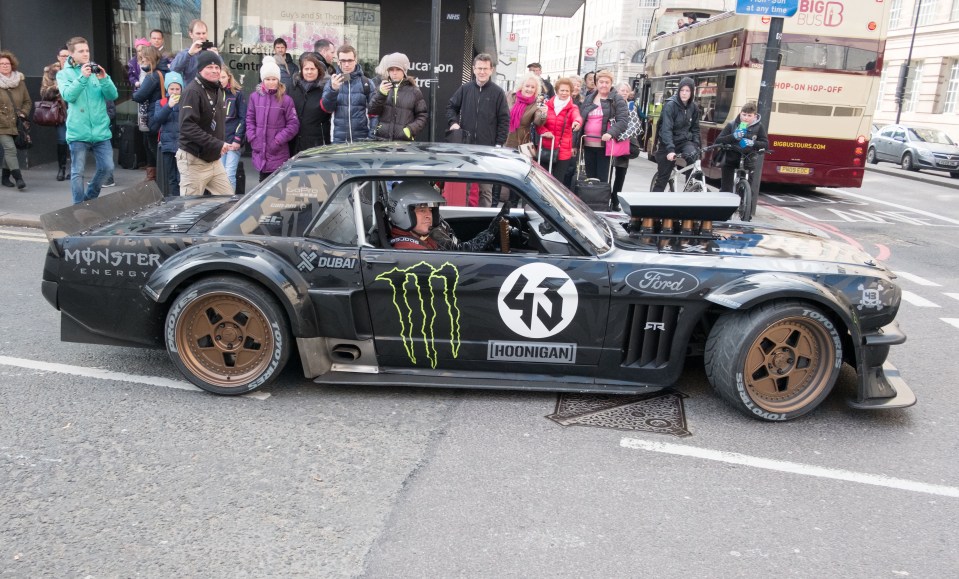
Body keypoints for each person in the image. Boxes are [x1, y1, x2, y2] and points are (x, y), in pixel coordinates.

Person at [57, 37, 118, 203]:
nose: (86, 54)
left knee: (107, 168)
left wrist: (104, 79)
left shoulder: (96, 70)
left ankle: (89, 198)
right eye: (81, 51)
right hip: (78, 131)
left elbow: (113, 95)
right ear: (71, 54)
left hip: (100, 130)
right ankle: (78, 206)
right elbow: (69, 95)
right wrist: (82, 78)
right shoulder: (63, 74)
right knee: (78, 172)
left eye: (87, 50)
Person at [446, 53, 509, 207]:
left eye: (485, 69)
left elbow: (504, 119)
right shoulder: (465, 89)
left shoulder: (498, 92)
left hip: (487, 149)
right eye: (479, 68)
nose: (482, 72)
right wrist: (453, 122)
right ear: (473, 69)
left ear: (491, 70)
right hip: (466, 146)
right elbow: (450, 107)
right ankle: (466, 219)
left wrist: (499, 144)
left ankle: (485, 221)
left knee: (485, 189)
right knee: (465, 188)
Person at [387, 181, 516, 251]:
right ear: (402, 212)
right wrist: (490, 233)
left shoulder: (421, 237)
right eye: (421, 210)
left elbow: (456, 250)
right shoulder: (411, 250)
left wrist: (490, 233)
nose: (429, 216)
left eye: (431, 210)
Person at [176, 50, 237, 196]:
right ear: (200, 69)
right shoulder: (192, 92)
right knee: (190, 210)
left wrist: (219, 144)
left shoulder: (216, 89)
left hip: (214, 161)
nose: (215, 70)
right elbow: (187, 127)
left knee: (229, 202)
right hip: (193, 161)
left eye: (217, 67)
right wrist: (217, 144)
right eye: (210, 67)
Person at [246, 56, 299, 182]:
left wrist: (277, 141)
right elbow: (249, 120)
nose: (271, 82)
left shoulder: (286, 100)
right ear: (262, 80)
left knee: (278, 189)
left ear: (278, 80)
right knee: (262, 187)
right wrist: (253, 138)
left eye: (274, 79)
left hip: (278, 152)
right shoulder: (254, 97)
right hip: (260, 151)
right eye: (268, 79)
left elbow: (293, 125)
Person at [578, 69, 628, 184]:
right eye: (601, 82)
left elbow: (623, 121)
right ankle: (590, 201)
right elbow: (581, 118)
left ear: (611, 84)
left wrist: (610, 133)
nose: (604, 85)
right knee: (589, 178)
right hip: (587, 144)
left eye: (607, 82)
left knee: (602, 179)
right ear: (597, 83)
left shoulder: (617, 99)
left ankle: (602, 201)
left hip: (605, 146)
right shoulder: (589, 98)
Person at [651, 76, 700, 192]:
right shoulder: (670, 105)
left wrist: (696, 145)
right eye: (682, 90)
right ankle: (653, 204)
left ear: (692, 92)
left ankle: (688, 188)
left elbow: (695, 129)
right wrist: (670, 149)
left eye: (687, 91)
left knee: (693, 156)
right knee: (663, 178)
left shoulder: (694, 107)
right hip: (668, 143)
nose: (684, 93)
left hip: (684, 141)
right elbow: (666, 129)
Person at [368, 52, 428, 142]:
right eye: (391, 70)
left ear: (404, 71)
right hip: (381, 141)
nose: (394, 73)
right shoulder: (382, 88)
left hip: (403, 142)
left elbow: (422, 116)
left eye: (398, 69)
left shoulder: (414, 91)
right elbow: (372, 110)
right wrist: (381, 94)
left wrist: (409, 130)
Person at [320, 44, 374, 144]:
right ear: (338, 62)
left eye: (349, 60)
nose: (346, 64)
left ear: (355, 60)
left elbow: (374, 113)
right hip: (338, 139)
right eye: (343, 61)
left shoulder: (366, 83)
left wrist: (371, 136)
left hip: (362, 140)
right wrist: (333, 90)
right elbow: (327, 108)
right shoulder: (332, 82)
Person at [714, 101, 768, 194]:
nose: (746, 118)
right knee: (727, 189)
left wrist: (753, 143)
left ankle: (745, 202)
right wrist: (733, 136)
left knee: (748, 189)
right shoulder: (732, 124)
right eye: (744, 115)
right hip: (731, 157)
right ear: (740, 114)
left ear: (755, 116)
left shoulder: (759, 127)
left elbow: (765, 144)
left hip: (749, 158)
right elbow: (718, 140)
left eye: (749, 116)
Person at [131, 45, 168, 182]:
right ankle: (154, 177)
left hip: (154, 114)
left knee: (152, 147)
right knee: (151, 146)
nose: (141, 61)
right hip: (162, 112)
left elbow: (139, 96)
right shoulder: (165, 72)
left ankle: (156, 179)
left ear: (149, 58)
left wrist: (134, 93)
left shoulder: (153, 76)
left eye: (143, 58)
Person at [536, 77, 582, 183]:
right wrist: (544, 132)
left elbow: (577, 116)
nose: (564, 93)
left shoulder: (573, 107)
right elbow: (539, 124)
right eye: (562, 90)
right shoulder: (547, 105)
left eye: (567, 91)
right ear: (557, 91)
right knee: (543, 181)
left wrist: (577, 122)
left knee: (557, 182)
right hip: (546, 148)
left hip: (563, 150)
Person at [0, 50, 31, 190]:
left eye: (7, 63)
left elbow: (27, 101)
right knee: (10, 149)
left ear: (12, 65)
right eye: (1, 63)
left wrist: (23, 113)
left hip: (17, 123)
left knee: (10, 151)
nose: (5, 65)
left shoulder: (20, 82)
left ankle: (5, 177)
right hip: (2, 124)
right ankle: (19, 178)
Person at [150, 71, 183, 195]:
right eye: (171, 88)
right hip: (167, 145)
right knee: (171, 177)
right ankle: (174, 200)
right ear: (167, 89)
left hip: (182, 145)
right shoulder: (161, 103)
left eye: (177, 89)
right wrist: (169, 106)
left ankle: (182, 200)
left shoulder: (185, 102)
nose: (174, 92)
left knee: (182, 177)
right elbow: (158, 119)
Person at [40, 46, 71, 182]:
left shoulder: (77, 70)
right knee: (62, 140)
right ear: (58, 57)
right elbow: (43, 93)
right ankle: (62, 168)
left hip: (76, 110)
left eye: (67, 55)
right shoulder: (50, 71)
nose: (65, 58)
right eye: (62, 56)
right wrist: (57, 87)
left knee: (76, 141)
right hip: (60, 111)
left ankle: (75, 169)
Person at [289, 53, 330, 153]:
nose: (309, 72)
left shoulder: (325, 89)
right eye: (306, 69)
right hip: (294, 142)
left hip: (317, 143)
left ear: (318, 70)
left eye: (312, 69)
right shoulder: (293, 88)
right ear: (301, 71)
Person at [610, 82, 641, 211]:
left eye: (626, 91)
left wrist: (623, 135)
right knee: (607, 173)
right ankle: (604, 197)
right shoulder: (612, 104)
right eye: (621, 90)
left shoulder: (632, 106)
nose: (624, 93)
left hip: (624, 143)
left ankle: (615, 201)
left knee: (620, 175)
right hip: (611, 141)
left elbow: (635, 124)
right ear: (616, 91)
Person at [220, 67, 246, 189]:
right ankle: (220, 204)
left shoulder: (237, 94)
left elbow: (243, 118)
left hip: (232, 141)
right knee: (219, 177)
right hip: (219, 142)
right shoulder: (213, 93)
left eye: (223, 77)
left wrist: (237, 139)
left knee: (229, 175)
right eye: (218, 77)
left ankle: (230, 205)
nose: (220, 80)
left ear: (229, 77)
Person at [505, 74, 546, 150]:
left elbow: (538, 121)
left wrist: (543, 113)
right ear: (522, 86)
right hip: (503, 138)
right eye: (527, 86)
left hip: (521, 143)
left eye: (533, 87)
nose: (529, 89)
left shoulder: (535, 104)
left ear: (536, 90)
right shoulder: (509, 96)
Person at [170, 19, 217, 84]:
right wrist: (189, 54)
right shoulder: (186, 53)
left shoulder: (211, 52)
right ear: (191, 34)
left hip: (209, 91)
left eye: (204, 33)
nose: (201, 36)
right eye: (198, 33)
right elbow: (174, 68)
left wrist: (217, 58)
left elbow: (223, 72)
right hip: (192, 92)